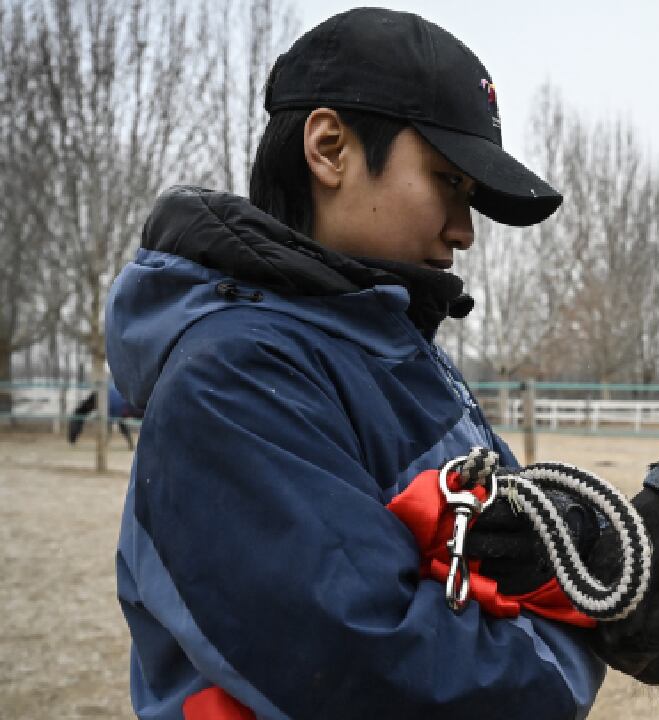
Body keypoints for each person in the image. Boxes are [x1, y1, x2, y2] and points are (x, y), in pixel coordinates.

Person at [107, 9, 607, 719]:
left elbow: (519, 558)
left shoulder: (397, 352)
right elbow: (389, 679)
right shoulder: (234, 379)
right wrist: (574, 633)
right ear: (330, 148)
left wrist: (566, 545)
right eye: (449, 181)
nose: (465, 231)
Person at [66, 378, 143, 450]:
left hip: (123, 404)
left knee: (117, 422)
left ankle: (104, 444)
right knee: (119, 422)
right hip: (122, 403)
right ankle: (127, 444)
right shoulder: (105, 394)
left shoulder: (104, 396)